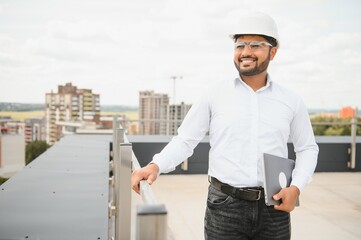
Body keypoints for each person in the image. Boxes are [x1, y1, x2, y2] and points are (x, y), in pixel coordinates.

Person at [131, 12, 319, 240]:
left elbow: (307, 148)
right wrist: (155, 165)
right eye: (240, 45)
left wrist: (296, 186)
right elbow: (185, 139)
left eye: (256, 45)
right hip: (224, 207)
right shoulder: (215, 94)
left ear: (273, 51)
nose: (246, 52)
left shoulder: (291, 100)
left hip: (274, 207)